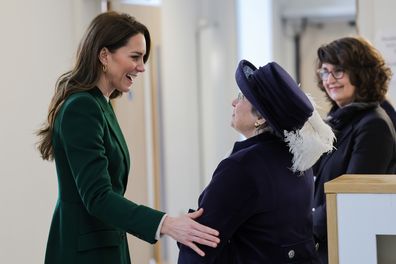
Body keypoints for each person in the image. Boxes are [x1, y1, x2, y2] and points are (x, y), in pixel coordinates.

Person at [36, 11, 219, 264]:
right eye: (135, 57)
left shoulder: (102, 104)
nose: (142, 67)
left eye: (143, 58)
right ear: (104, 55)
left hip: (105, 244)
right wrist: (165, 224)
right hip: (85, 253)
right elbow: (98, 197)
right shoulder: (82, 107)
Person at [178, 59, 336, 263]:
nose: (233, 103)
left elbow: (200, 243)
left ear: (260, 118)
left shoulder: (242, 167)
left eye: (241, 97)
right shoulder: (297, 158)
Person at [312, 36, 396, 264]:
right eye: (325, 72)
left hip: (350, 245)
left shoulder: (373, 124)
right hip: (330, 239)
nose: (330, 80)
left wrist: (305, 227)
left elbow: (350, 197)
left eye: (339, 71)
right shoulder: (340, 120)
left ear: (361, 73)